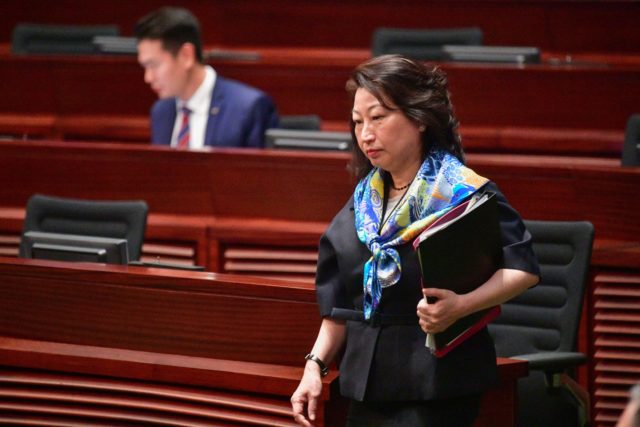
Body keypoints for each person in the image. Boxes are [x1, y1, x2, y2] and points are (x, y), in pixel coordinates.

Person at [290, 55, 540, 427]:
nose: (365, 134)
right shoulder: (365, 201)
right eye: (358, 122)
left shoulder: (461, 192)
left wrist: (462, 305)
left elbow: (523, 268)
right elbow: (342, 305)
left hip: (436, 380)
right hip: (368, 379)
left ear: (419, 118)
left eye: (378, 117)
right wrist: (314, 367)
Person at [134, 7, 279, 149]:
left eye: (154, 65)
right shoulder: (161, 111)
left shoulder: (248, 108)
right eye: (145, 67)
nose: (148, 77)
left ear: (186, 55)